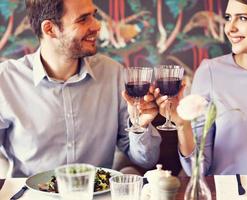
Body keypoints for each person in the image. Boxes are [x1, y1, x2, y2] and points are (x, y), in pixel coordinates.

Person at [0, 0, 161, 177]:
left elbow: (146, 160)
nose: (97, 25)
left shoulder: (114, 75)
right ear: (50, 29)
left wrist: (141, 125)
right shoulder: (6, 80)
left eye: (94, 15)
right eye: (83, 19)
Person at [155, 0, 247, 175]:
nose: (229, 28)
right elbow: (197, 169)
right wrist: (183, 124)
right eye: (228, 18)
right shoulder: (210, 72)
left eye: (243, 18)